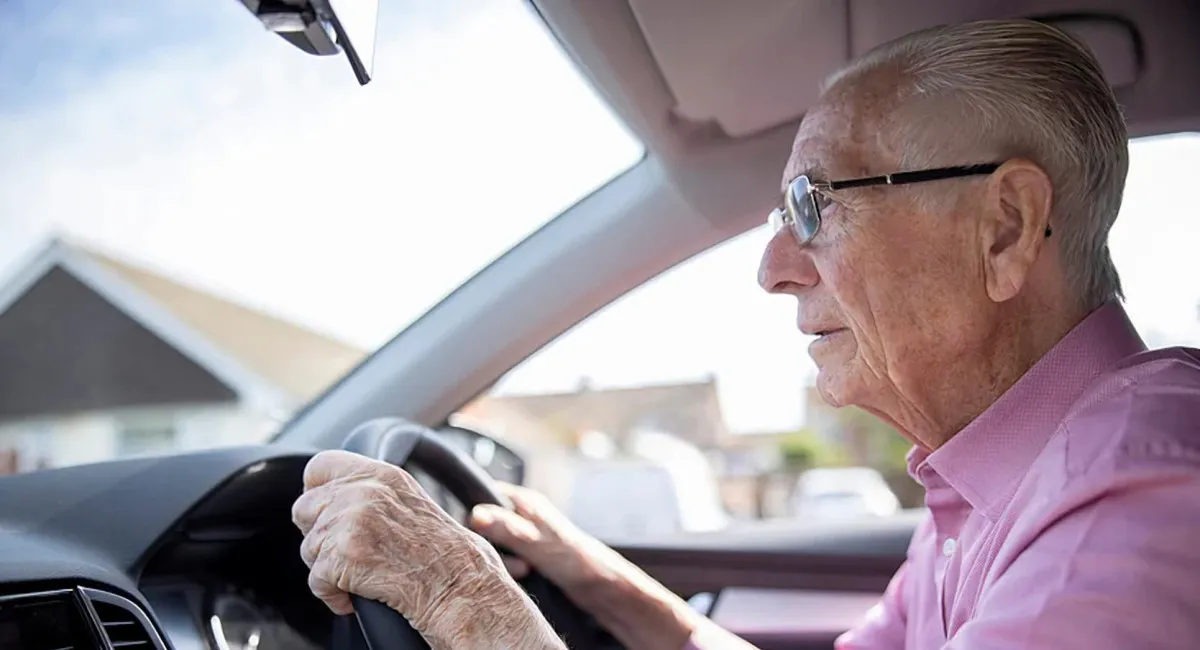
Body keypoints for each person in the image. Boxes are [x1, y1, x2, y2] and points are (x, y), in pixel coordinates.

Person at [289, 17, 1200, 650]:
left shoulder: (1135, 500)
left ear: (1002, 228)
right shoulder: (998, 476)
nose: (773, 267)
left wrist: (464, 601)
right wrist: (598, 577)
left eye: (814, 204)